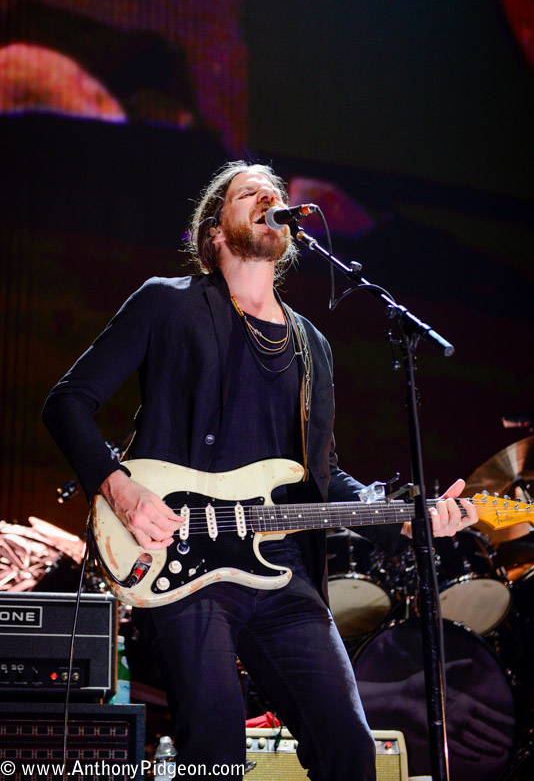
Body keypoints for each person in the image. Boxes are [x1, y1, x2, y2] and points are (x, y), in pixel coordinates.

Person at [42, 161, 478, 781]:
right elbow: (66, 402)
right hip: (184, 565)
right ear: (216, 231)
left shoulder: (312, 345)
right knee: (214, 752)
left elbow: (323, 476)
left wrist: (407, 520)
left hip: (282, 577)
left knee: (349, 749)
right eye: (250, 192)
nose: (270, 197)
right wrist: (122, 487)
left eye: (275, 192)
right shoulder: (167, 304)